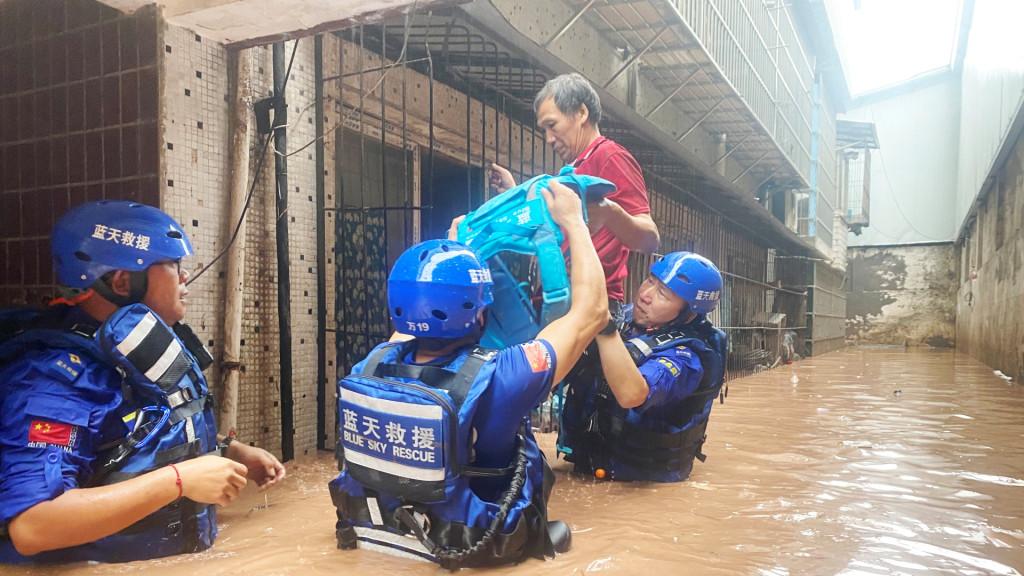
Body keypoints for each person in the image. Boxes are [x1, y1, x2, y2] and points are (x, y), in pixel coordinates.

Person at [329, 181, 608, 568]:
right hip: (466, 543)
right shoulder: (506, 375)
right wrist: (575, 222)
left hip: (378, 534)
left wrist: (455, 246)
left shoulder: (371, 364)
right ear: (479, 312)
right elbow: (592, 312)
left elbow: (417, 322)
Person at [0, 200, 285, 564]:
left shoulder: (136, 350)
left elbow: (133, 437)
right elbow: (34, 526)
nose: (185, 278)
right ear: (122, 282)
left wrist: (228, 452)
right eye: (173, 267)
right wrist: (180, 480)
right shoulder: (55, 379)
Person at [485, 72, 660, 315]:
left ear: (581, 113)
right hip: (561, 301)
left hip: (589, 306)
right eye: (543, 129)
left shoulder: (610, 157)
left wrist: (610, 212)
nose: (548, 138)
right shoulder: (576, 168)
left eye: (552, 125)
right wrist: (515, 191)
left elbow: (650, 239)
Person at [559, 251, 728, 483]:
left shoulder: (688, 358)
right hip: (588, 466)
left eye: (663, 294)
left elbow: (633, 394)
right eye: (650, 281)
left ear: (689, 313)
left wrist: (604, 328)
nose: (646, 295)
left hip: (640, 481)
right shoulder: (626, 317)